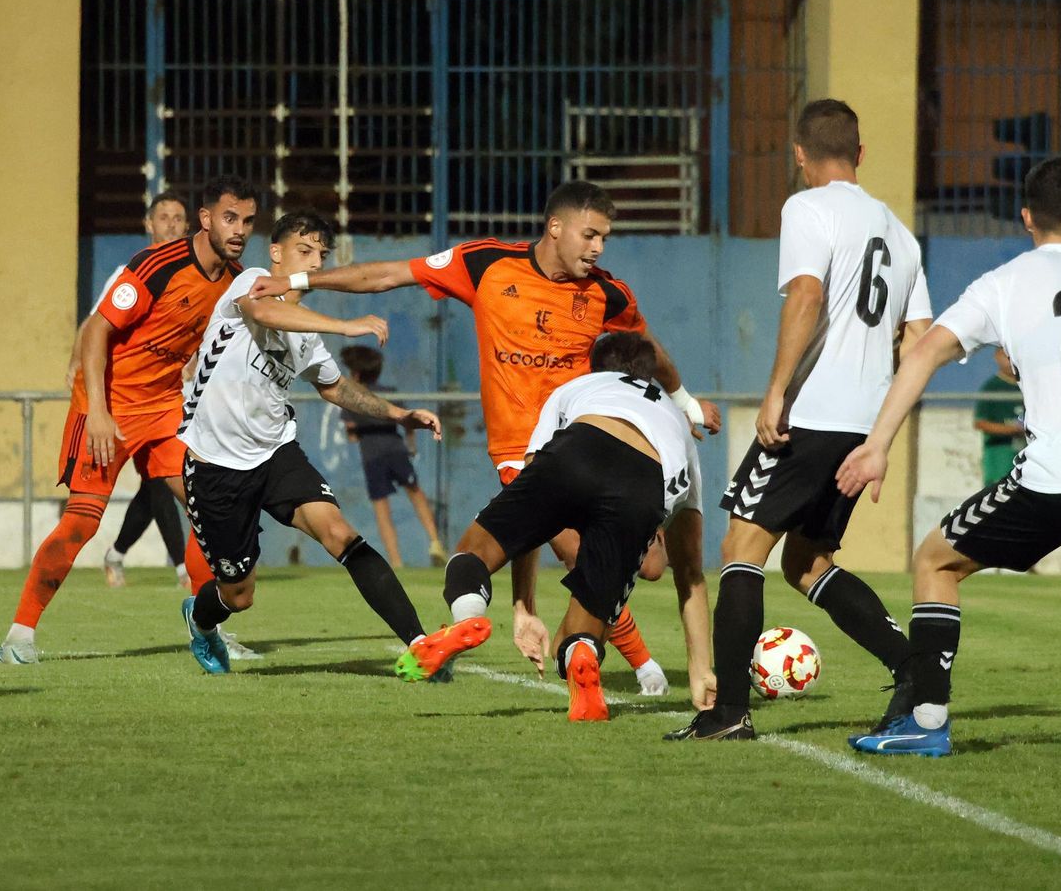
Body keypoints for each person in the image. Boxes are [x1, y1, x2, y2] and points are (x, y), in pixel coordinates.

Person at [248, 180, 718, 696]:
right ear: (555, 228)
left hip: (582, 444)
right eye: (590, 235)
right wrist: (298, 279)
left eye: (604, 238)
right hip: (531, 449)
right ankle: (626, 664)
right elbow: (386, 275)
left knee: (630, 562)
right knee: (586, 557)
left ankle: (497, 618)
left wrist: (687, 402)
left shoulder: (606, 292)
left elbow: (647, 348)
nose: (598, 248)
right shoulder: (487, 264)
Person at [667, 99, 931, 742]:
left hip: (809, 415)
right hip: (862, 423)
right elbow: (920, 340)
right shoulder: (901, 235)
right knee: (807, 563)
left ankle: (728, 713)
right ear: (861, 154)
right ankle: (915, 671)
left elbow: (807, 295)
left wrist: (776, 391)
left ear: (799, 154)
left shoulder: (806, 207)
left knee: (740, 551)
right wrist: (882, 437)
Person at [841, 156, 1061, 757]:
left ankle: (925, 722)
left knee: (936, 561)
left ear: (1027, 216)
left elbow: (922, 353)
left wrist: (876, 445)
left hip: (1056, 479)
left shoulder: (1004, 283)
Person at [176, 210, 488, 677]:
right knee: (237, 594)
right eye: (304, 251)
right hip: (216, 466)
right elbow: (264, 311)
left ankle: (421, 644)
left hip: (275, 452)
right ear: (277, 253)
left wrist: (400, 415)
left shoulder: (306, 335)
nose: (314, 262)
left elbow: (337, 388)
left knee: (341, 533)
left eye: (320, 255)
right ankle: (200, 624)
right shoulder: (254, 283)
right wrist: (346, 326)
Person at [0, 176, 259, 665]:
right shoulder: (157, 265)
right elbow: (96, 330)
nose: (239, 229)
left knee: (213, 513)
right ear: (205, 219)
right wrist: (97, 410)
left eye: (246, 221)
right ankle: (19, 635)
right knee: (81, 524)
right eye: (229, 218)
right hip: (108, 406)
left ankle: (209, 629)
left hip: (164, 410)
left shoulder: (233, 282)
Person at [436, 332, 710, 719]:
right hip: (645, 482)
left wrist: (523, 606)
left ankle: (466, 618)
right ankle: (581, 651)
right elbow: (690, 573)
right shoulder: (677, 421)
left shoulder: (578, 385)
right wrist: (701, 670)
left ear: (596, 367)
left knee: (472, 554)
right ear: (652, 375)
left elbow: (531, 500)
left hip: (581, 446)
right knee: (576, 637)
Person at [68, 192, 195, 593]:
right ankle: (181, 568)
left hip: (178, 396)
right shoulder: (132, 272)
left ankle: (118, 554)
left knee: (159, 484)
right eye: (164, 217)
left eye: (178, 218)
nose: (171, 225)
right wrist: (78, 367)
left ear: (189, 227)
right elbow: (95, 324)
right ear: (148, 224)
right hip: (130, 400)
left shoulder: (202, 276)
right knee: (159, 484)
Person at [338, 344, 445, 568]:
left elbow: (351, 434)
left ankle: (396, 561)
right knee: (416, 493)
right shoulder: (391, 394)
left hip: (372, 457)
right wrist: (411, 446)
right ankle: (435, 541)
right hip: (396, 450)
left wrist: (359, 430)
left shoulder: (351, 399)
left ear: (356, 374)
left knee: (382, 508)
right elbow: (406, 422)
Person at [973, 348, 1025, 486]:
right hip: (1000, 458)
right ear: (997, 357)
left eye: (1012, 355)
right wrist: (1012, 429)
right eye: (1005, 356)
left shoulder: (1027, 385)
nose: (1009, 360)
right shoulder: (991, 387)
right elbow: (980, 423)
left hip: (1026, 457)